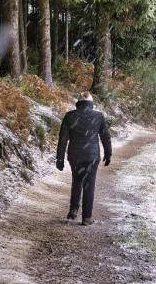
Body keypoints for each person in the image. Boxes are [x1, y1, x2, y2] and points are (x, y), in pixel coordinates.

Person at [56, 91, 111, 226]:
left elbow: (63, 139)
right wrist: (108, 153)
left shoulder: (70, 116)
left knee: (77, 181)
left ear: (78, 104)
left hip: (75, 155)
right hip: (92, 156)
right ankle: (86, 217)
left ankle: (73, 210)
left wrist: (60, 158)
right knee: (89, 185)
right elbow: (105, 136)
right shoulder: (98, 116)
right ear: (91, 104)